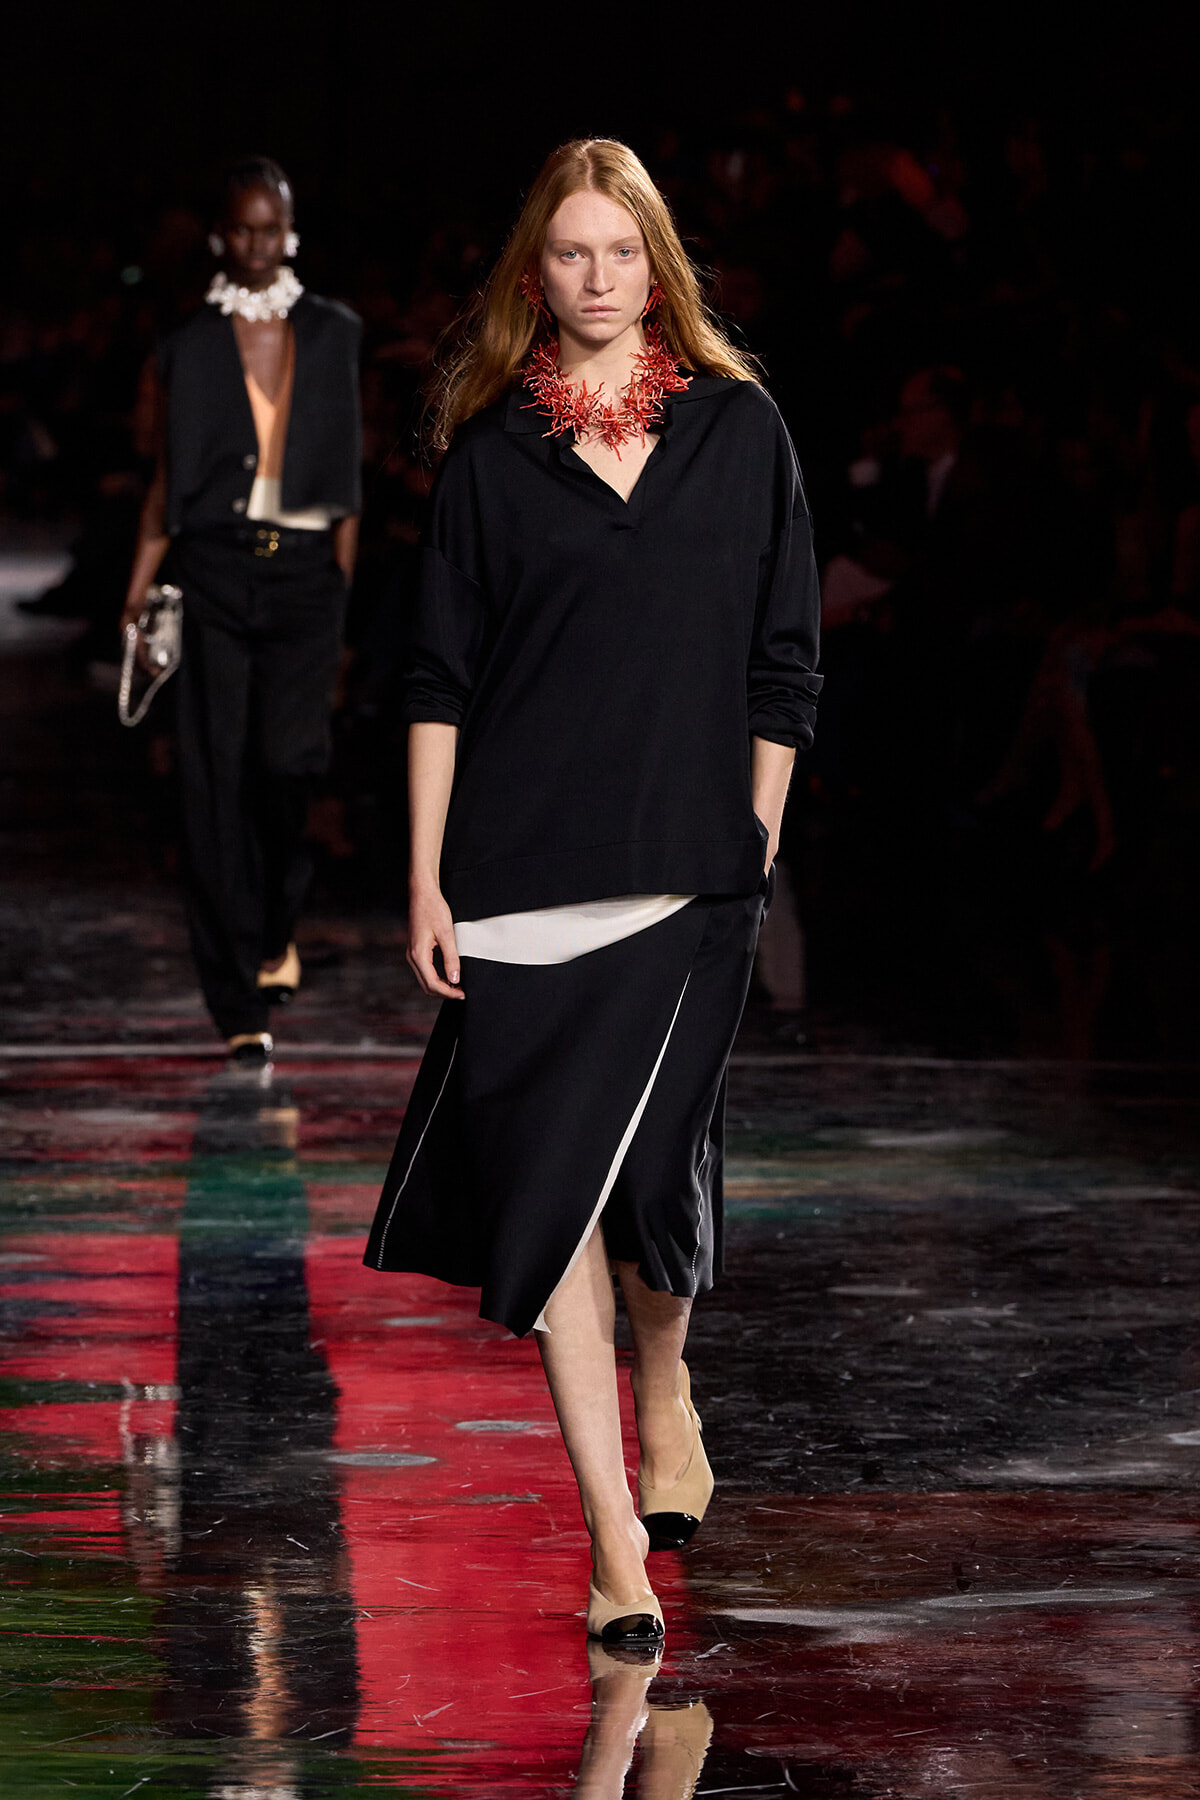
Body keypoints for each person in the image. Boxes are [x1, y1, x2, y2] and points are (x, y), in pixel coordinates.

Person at [364, 139, 821, 1643]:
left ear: (659, 267)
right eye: (572, 254)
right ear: (535, 278)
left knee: (653, 1179)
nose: (600, 277)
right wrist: (427, 876)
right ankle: (611, 1532)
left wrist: (753, 838)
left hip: (693, 877)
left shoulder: (741, 434)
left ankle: (669, 1372)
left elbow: (786, 662)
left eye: (624, 252)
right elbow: (435, 680)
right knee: (552, 1214)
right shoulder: (492, 457)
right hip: (519, 880)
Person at [121, 156, 362, 1064]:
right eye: (243, 228)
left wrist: (337, 599)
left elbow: (344, 492)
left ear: (290, 231)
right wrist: (139, 590)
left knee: (291, 769)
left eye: (273, 228)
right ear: (224, 234)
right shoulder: (186, 342)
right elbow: (166, 481)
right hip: (215, 567)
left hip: (304, 575)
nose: (258, 244)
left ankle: (272, 927)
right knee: (211, 780)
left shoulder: (336, 333)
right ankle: (235, 999)